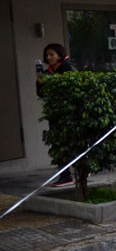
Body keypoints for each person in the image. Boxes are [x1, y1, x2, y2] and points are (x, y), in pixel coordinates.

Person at [36, 43, 77, 186]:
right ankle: (65, 176)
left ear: (59, 55)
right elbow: (41, 93)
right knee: (58, 144)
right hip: (55, 114)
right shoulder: (47, 73)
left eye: (51, 54)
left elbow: (73, 88)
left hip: (70, 113)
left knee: (73, 142)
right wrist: (40, 82)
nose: (49, 57)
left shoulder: (68, 68)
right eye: (47, 55)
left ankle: (83, 167)